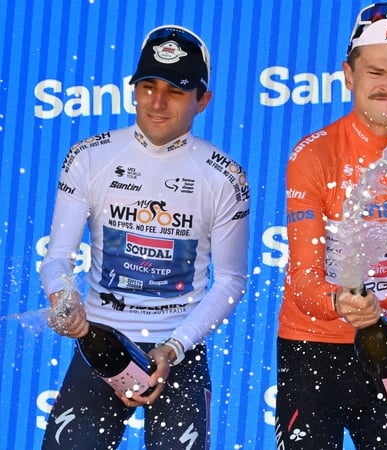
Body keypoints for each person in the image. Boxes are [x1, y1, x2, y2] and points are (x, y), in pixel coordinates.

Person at [39, 25, 250, 449]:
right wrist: (63, 298)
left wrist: (172, 349)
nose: (156, 102)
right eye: (147, 86)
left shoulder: (225, 176)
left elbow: (231, 281)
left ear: (203, 100)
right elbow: (58, 257)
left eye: (174, 90)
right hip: (99, 340)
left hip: (180, 348)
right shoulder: (89, 156)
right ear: (132, 90)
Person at [274, 3, 387, 449]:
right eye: (376, 72)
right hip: (310, 347)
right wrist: (340, 302)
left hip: (385, 344)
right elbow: (302, 279)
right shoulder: (314, 156)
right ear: (348, 74)